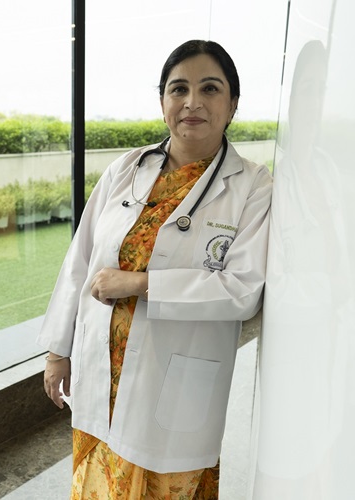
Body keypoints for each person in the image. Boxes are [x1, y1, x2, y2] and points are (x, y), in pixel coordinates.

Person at [38, 39, 273, 499]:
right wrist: (56, 351)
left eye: (210, 89)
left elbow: (242, 291)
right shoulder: (127, 169)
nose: (192, 102)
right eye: (178, 88)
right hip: (103, 369)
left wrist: (140, 284)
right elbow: (80, 262)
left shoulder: (252, 186)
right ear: (163, 101)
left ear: (233, 104)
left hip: (177, 379)